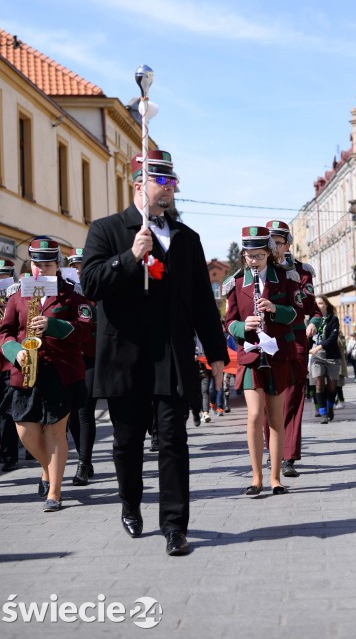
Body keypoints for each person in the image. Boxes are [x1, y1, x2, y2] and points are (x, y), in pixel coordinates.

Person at [80, 149, 227, 555]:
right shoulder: (107, 230)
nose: (168, 191)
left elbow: (201, 302)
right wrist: (130, 257)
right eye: (161, 184)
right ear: (139, 185)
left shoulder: (186, 239)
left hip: (172, 358)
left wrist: (216, 354)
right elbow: (90, 284)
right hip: (124, 358)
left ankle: (175, 525)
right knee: (126, 444)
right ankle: (129, 503)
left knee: (173, 442)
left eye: (172, 184)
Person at [0, 238, 92, 511]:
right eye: (36, 265)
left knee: (54, 431)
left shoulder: (73, 294)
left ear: (58, 265)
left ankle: (55, 491)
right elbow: (4, 332)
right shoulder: (18, 294)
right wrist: (15, 351)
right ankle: (47, 468)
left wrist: (53, 325)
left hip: (60, 372)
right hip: (25, 371)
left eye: (47, 265)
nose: (41, 270)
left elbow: (86, 331)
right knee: (25, 431)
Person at [223, 225, 299, 495]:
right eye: (249, 256)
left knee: (276, 417)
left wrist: (274, 309)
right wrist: (245, 326)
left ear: (269, 253)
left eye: (258, 256)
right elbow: (229, 321)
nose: (253, 261)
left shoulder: (285, 277)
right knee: (255, 414)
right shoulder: (235, 282)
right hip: (251, 354)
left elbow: (294, 314)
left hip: (276, 353)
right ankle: (256, 477)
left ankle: (275, 477)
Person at [265, 220, 320, 478]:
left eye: (278, 242)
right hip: (269, 344)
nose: (274, 246)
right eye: (270, 241)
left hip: (296, 342)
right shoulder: (259, 271)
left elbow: (313, 308)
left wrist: (314, 324)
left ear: (287, 244)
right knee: (271, 400)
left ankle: (288, 457)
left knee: (293, 401)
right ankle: (272, 451)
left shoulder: (302, 271)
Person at [64, 247, 98, 486]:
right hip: (71, 356)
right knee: (73, 414)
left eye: (82, 266)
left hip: (94, 356)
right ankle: (83, 456)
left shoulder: (97, 289)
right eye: (74, 266)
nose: (78, 270)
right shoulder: (64, 291)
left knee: (85, 411)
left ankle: (83, 463)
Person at [0, 259, 19, 472]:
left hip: (9, 360)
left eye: (4, 276)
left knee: (8, 409)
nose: (0, 280)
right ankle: (1, 442)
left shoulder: (18, 294)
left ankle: (9, 455)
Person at [309, 296, 341, 424]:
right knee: (318, 383)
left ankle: (330, 406)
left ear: (326, 305)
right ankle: (323, 413)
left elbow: (333, 338)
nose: (318, 306)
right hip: (316, 357)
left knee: (333, 387)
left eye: (321, 303)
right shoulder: (312, 321)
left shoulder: (333, 319)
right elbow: (306, 338)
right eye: (316, 304)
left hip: (331, 355)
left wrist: (319, 347)